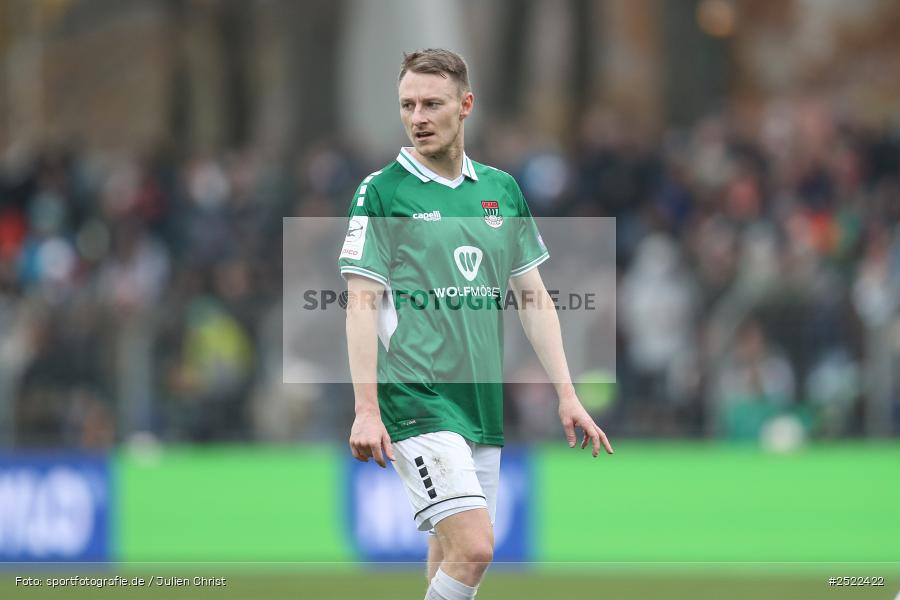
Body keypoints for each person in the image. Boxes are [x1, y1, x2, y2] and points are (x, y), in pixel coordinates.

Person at [339, 48, 613, 600]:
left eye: (432, 104)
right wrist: (366, 408)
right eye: (408, 105)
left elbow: (533, 298)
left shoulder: (500, 191)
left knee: (450, 554)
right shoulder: (382, 191)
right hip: (417, 396)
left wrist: (567, 394)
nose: (418, 117)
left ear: (465, 106)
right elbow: (360, 303)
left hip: (481, 403)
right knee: (476, 548)